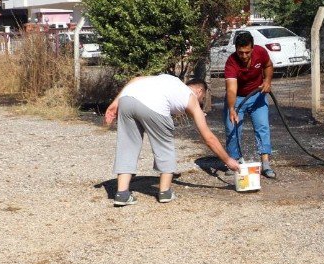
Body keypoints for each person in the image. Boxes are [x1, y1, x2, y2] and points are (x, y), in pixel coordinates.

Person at [104, 74, 240, 206]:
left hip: (127, 99)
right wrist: (227, 160)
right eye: (202, 98)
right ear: (199, 91)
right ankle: (165, 192)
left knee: (127, 146)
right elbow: (208, 138)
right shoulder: (191, 97)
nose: (200, 102)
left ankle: (122, 194)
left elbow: (136, 79)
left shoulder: (169, 81)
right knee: (164, 146)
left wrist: (116, 102)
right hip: (154, 104)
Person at [224, 31, 277, 179]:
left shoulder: (261, 52)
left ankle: (265, 164)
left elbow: (268, 65)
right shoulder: (231, 62)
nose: (244, 56)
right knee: (232, 128)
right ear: (236, 49)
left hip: (257, 96)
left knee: (262, 127)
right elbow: (231, 88)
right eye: (240, 52)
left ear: (252, 48)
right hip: (238, 98)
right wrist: (231, 108)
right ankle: (234, 161)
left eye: (247, 52)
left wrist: (267, 81)